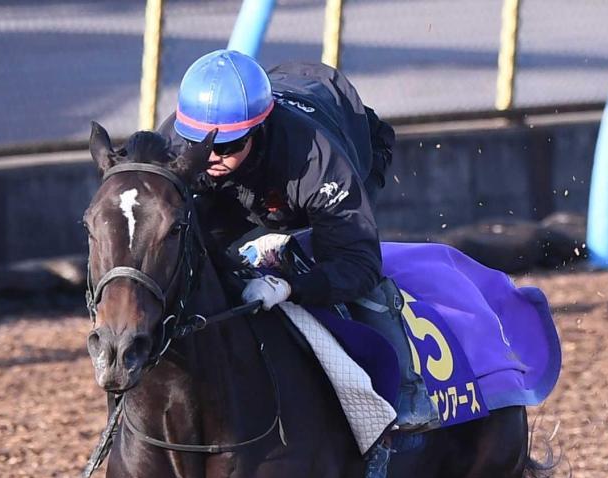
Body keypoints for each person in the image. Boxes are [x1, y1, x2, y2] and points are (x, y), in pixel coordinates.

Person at [158, 49, 439, 434]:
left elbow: (358, 263)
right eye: (199, 145)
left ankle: (408, 393)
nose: (211, 158)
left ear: (257, 131)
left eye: (226, 146)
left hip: (335, 160)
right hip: (244, 192)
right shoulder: (174, 144)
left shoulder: (316, 158)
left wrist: (290, 287)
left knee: (334, 266)